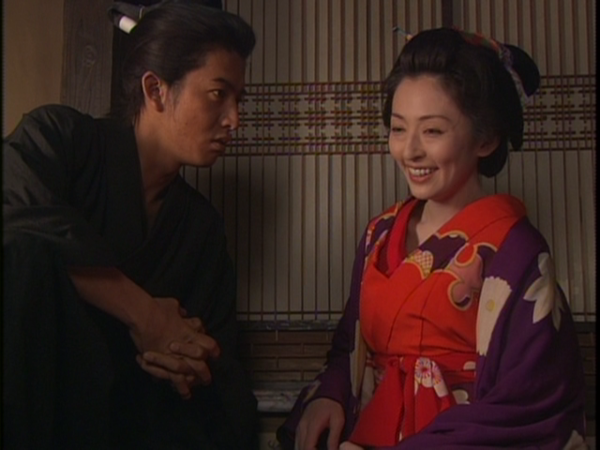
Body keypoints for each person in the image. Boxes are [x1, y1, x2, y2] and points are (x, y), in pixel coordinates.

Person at [277, 27, 587, 450]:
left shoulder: (517, 252)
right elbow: (349, 347)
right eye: (399, 129)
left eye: (433, 131)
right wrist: (329, 394)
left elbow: (531, 402)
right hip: (368, 431)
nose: (410, 151)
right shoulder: (380, 233)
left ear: (485, 138)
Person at [3, 1, 258, 449]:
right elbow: (14, 211)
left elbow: (213, 351)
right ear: (156, 90)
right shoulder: (60, 139)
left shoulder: (200, 227)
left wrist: (189, 362)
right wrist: (143, 314)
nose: (234, 119)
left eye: (239, 100)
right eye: (218, 94)